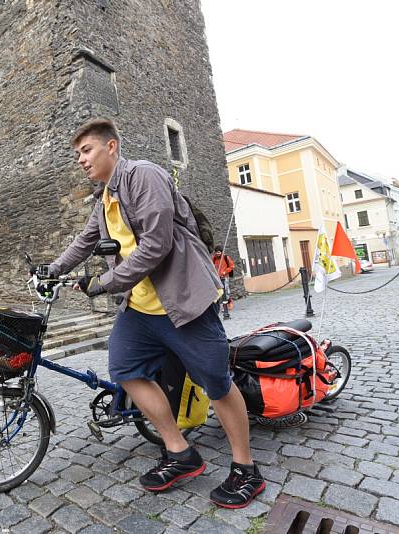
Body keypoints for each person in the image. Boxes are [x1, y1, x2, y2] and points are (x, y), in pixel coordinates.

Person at [47, 119, 264, 508]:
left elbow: (156, 246)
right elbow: (87, 240)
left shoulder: (143, 176)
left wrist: (102, 283)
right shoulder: (105, 198)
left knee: (215, 382)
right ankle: (180, 452)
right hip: (142, 308)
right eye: (77, 153)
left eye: (87, 150)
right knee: (125, 369)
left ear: (111, 147)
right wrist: (54, 269)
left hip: (184, 303)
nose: (81, 159)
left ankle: (246, 469)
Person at [212, 244, 235, 314]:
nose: (217, 253)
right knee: (219, 291)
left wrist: (224, 272)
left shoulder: (225, 257)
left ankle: (229, 303)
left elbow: (232, 266)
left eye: (218, 252)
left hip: (224, 277)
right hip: (217, 277)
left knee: (226, 291)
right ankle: (221, 306)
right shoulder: (214, 258)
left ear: (222, 252)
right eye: (216, 252)